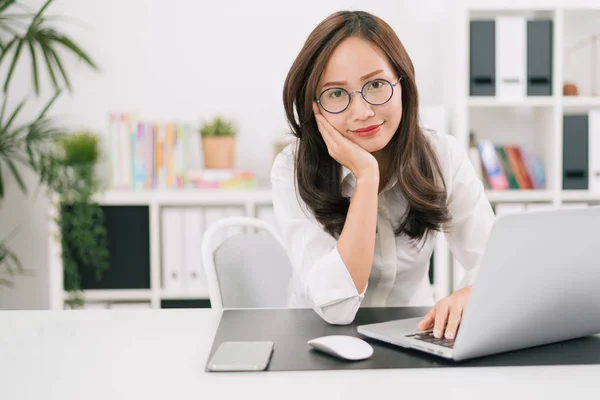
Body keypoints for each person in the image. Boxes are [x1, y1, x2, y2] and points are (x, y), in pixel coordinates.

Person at [270, 10, 496, 340]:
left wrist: (470, 292)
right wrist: (366, 177)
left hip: (415, 337)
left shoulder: (441, 155)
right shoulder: (291, 169)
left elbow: (493, 262)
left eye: (376, 85)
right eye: (336, 94)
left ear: (402, 82)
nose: (362, 112)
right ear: (313, 106)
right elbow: (336, 309)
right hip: (317, 343)